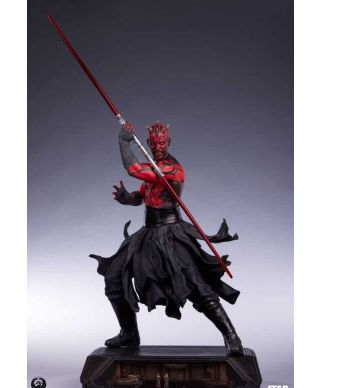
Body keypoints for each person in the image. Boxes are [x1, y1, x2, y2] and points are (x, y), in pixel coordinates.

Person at [90, 121, 244, 355]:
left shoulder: (172, 169)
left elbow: (133, 170)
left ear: (168, 142)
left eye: (162, 143)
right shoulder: (152, 168)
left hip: (172, 233)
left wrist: (123, 142)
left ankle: (231, 336)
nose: (158, 147)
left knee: (195, 285)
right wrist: (126, 198)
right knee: (113, 277)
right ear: (148, 144)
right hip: (148, 232)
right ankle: (129, 333)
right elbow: (141, 197)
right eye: (154, 143)